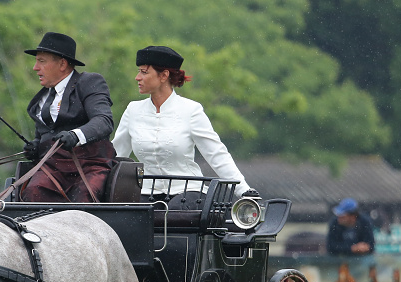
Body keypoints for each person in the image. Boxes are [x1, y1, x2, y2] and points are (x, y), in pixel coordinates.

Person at [112, 46, 251, 200]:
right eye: (139, 71)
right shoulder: (133, 110)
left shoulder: (191, 110)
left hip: (188, 193)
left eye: (144, 72)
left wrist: (243, 190)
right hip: (146, 193)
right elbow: (115, 155)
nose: (137, 77)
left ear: (164, 75)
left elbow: (216, 154)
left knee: (174, 213)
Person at [20, 32, 115, 203]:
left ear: (62, 64)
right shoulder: (40, 99)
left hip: (89, 166)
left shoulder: (89, 82)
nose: (35, 67)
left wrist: (75, 135)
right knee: (32, 192)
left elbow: (104, 121)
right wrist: (36, 146)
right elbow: (42, 135)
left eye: (41, 61)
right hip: (52, 168)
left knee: (83, 198)